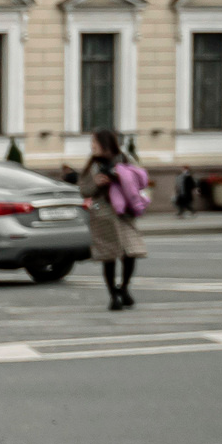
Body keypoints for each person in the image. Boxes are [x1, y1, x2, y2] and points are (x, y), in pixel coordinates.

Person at [83, 127, 149, 310]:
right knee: (109, 256)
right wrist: (95, 183)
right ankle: (113, 295)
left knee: (131, 252)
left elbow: (140, 180)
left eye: (94, 142)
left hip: (125, 214)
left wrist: (122, 177)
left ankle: (124, 288)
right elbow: (83, 190)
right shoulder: (92, 165)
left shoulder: (125, 159)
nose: (92, 146)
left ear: (105, 143)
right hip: (102, 214)